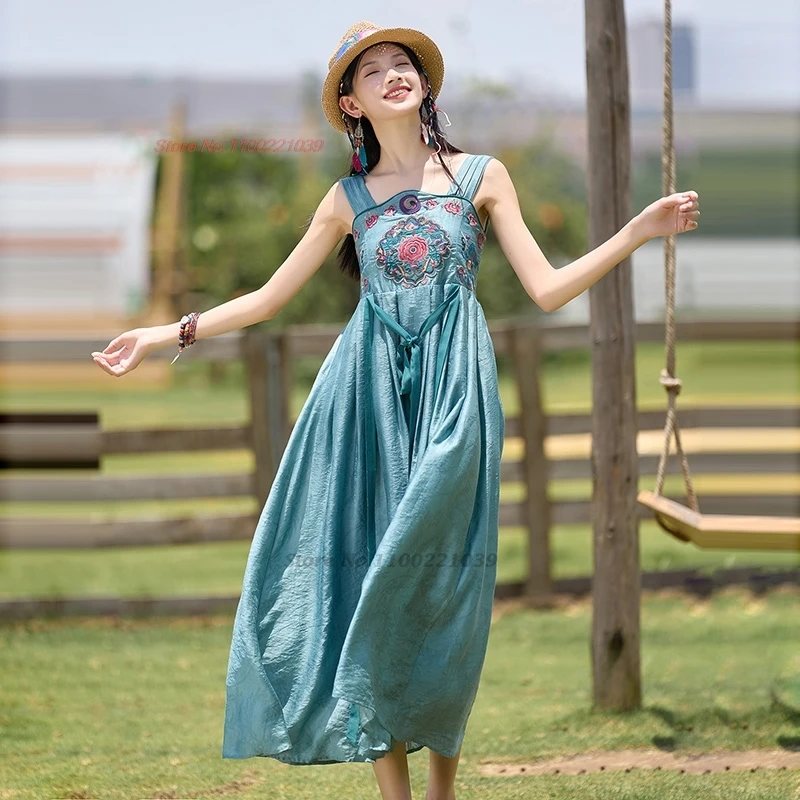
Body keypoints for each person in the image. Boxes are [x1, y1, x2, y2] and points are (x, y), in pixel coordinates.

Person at [91, 19, 700, 800]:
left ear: (424, 83)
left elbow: (547, 290)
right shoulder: (345, 200)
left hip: (455, 391)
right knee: (377, 571)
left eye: (402, 62)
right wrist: (162, 333)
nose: (392, 74)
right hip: (365, 398)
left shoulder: (484, 176)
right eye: (371, 70)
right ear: (351, 102)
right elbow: (268, 300)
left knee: (435, 579)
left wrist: (640, 230)